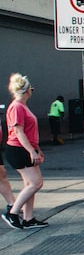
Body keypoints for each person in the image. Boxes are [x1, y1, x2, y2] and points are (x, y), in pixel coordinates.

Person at [3, 73, 46, 229]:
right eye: (31, 89)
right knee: (36, 183)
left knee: (30, 184)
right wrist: (32, 152)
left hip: (23, 148)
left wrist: (37, 149)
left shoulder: (22, 106)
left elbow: (28, 133)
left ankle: (28, 218)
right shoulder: (17, 107)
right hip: (18, 149)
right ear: (27, 90)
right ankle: (13, 212)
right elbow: (19, 132)